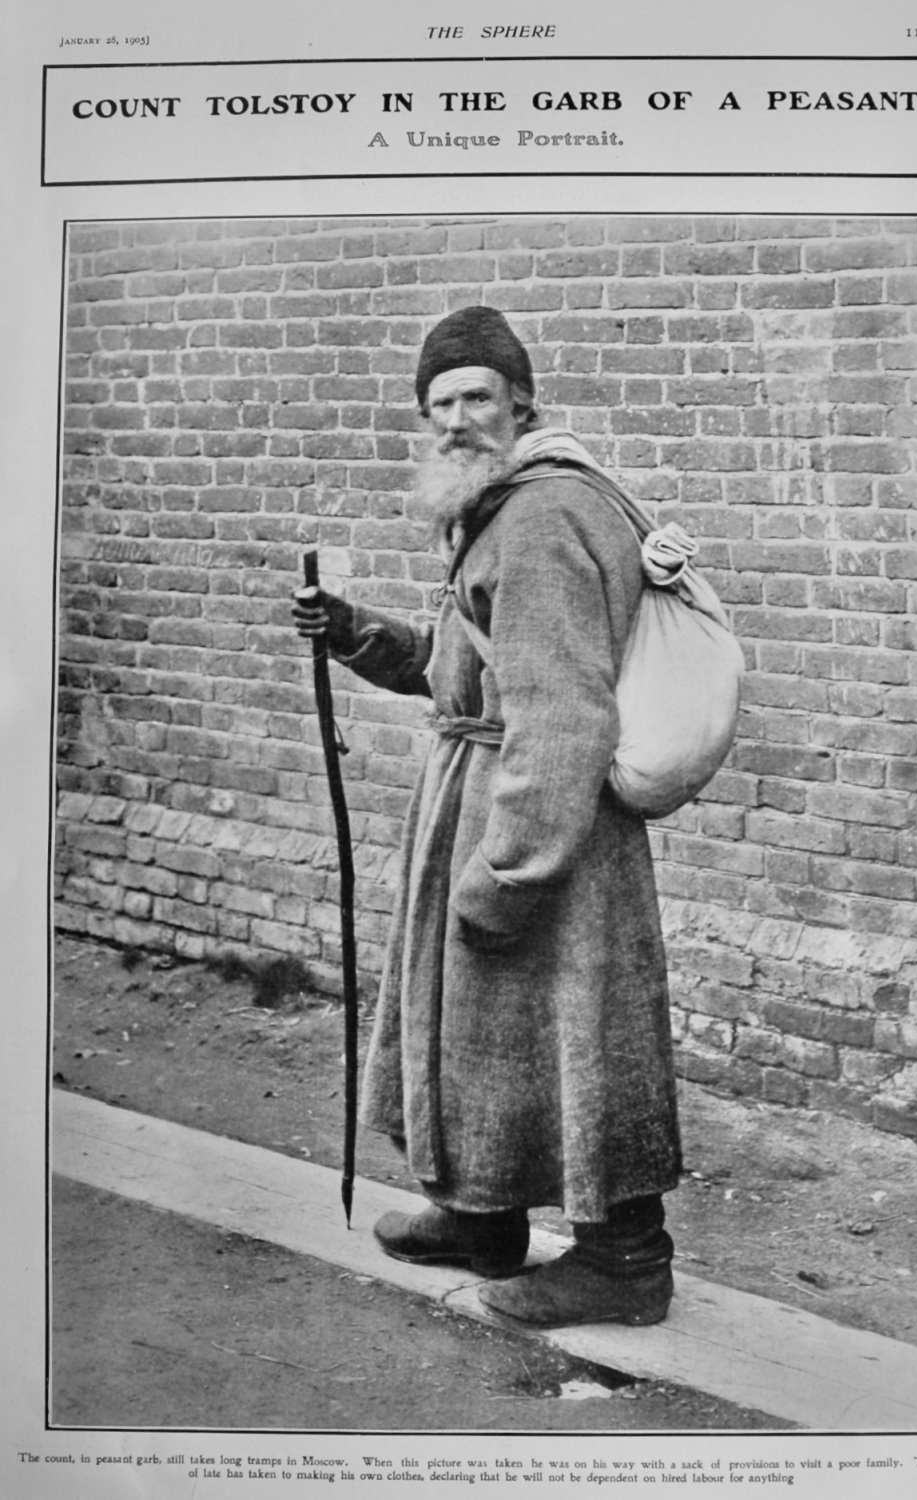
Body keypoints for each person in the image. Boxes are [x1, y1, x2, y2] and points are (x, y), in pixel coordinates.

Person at [292, 306, 681, 1328]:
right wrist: (354, 634)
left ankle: (624, 1261)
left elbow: (561, 713)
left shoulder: (546, 517)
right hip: (498, 801)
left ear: (523, 407)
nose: (458, 421)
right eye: (439, 406)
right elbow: (459, 668)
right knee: (487, 1028)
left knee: (579, 1035)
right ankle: (482, 1215)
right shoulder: (498, 509)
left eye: (477, 398)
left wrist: (510, 871)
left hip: (549, 824)